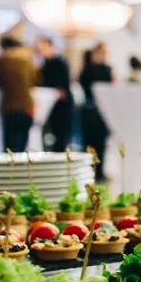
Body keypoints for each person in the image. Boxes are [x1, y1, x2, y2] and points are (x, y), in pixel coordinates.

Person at [0, 35, 38, 153]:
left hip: (9, 107)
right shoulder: (27, 62)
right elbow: (35, 80)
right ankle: (21, 169)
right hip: (27, 106)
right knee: (22, 143)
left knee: (9, 145)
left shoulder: (0, 62)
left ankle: (10, 170)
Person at [79, 43, 113, 181]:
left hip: (97, 110)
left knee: (98, 143)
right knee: (91, 143)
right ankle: (92, 172)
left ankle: (97, 172)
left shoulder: (88, 69)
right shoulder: (94, 69)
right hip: (93, 109)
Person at [36, 36, 73, 152]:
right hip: (50, 104)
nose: (41, 51)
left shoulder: (59, 62)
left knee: (61, 136)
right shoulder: (45, 63)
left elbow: (62, 86)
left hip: (62, 105)